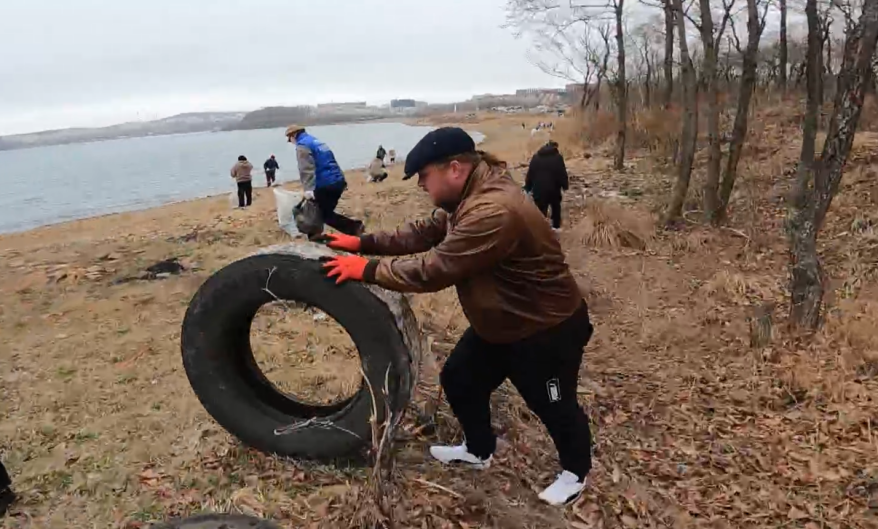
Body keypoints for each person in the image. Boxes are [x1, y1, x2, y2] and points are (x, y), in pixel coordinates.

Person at [319, 127, 594, 506]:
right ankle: (479, 450)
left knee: (553, 402)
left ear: (454, 169)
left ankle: (575, 472)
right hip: (501, 321)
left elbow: (436, 269)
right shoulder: (469, 197)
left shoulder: (492, 211)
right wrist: (363, 242)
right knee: (461, 378)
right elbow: (423, 233)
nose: (420, 186)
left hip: (544, 327)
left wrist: (365, 270)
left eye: (423, 177)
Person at [285, 125, 364, 235]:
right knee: (323, 212)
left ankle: (355, 228)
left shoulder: (302, 146)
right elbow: (331, 160)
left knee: (321, 214)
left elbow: (306, 169)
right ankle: (352, 229)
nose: (290, 141)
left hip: (326, 184)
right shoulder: (317, 142)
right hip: (337, 181)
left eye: (289, 139)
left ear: (293, 135)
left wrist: (308, 189)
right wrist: (341, 179)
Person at [524, 140, 569, 231]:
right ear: (555, 148)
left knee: (540, 210)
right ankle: (556, 227)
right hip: (554, 189)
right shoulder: (558, 157)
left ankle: (541, 229)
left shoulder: (536, 157)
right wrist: (565, 185)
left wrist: (528, 187)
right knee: (556, 207)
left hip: (538, 189)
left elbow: (530, 173)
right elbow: (562, 173)